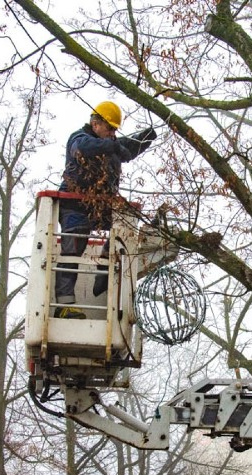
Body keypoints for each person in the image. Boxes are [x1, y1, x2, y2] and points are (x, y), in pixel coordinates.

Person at [54, 100, 157, 319]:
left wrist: (146, 137)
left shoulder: (108, 144)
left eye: (114, 130)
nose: (111, 134)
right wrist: (114, 146)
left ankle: (103, 269)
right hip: (75, 205)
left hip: (100, 205)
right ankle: (64, 304)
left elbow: (126, 149)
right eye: (109, 128)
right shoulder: (79, 139)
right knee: (73, 248)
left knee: (125, 227)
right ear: (95, 123)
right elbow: (85, 148)